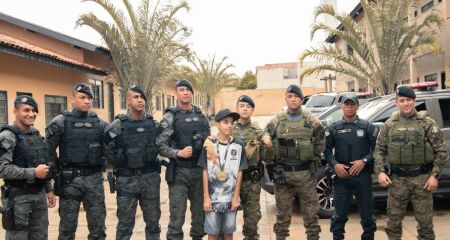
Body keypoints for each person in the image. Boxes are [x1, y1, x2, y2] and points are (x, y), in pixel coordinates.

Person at [374, 85, 448, 240]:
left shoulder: (426, 123)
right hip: (397, 181)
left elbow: (441, 151)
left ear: (414, 101)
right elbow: (379, 150)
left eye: (408, 100)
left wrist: (435, 175)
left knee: (425, 225)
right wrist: (380, 172)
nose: (406, 103)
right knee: (393, 225)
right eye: (402, 100)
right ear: (397, 103)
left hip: (422, 179)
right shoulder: (389, 125)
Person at [46, 83, 108, 240]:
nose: (87, 101)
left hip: (94, 179)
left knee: (98, 228)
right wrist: (56, 173)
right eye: (82, 97)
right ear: (72, 99)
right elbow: (47, 150)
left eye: (89, 98)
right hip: (69, 181)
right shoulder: (60, 121)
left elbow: (110, 146)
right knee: (67, 229)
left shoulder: (99, 122)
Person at [265, 85, 324, 240]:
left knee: (311, 215)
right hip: (283, 175)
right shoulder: (276, 121)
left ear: (301, 99)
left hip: (305, 174)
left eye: (296, 96)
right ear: (285, 98)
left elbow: (320, 144)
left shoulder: (312, 121)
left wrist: (308, 155)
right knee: (282, 216)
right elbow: (265, 142)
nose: (293, 99)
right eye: (290, 96)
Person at [104, 85, 162, 239]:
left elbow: (164, 144)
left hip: (150, 179)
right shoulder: (118, 125)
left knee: (153, 223)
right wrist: (120, 162)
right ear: (127, 100)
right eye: (136, 97)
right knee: (124, 225)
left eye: (142, 97)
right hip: (126, 180)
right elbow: (107, 148)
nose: (140, 100)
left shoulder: (153, 125)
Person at [156, 79, 210, 240]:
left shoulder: (201, 116)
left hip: (199, 173)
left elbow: (209, 141)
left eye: (188, 90)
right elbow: (159, 144)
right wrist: (177, 153)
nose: (185, 92)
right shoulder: (171, 116)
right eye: (181, 89)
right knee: (177, 216)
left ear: (192, 93)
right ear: (176, 93)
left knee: (200, 217)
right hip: (179, 172)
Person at [0, 95, 57, 240]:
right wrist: (33, 172)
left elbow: (42, 166)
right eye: (26, 110)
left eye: (34, 110)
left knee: (40, 236)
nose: (31, 114)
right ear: (15, 111)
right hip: (18, 198)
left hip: (39, 196)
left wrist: (49, 190)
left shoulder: (36, 136)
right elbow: (3, 169)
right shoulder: (7, 136)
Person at [324, 94, 377, 240]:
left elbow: (377, 150)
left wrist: (364, 160)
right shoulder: (333, 128)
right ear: (341, 106)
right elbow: (326, 150)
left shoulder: (367, 127)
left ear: (357, 106)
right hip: (342, 177)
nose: (349, 106)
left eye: (352, 104)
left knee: (367, 214)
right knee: (339, 214)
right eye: (346, 104)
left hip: (362, 177)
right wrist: (335, 165)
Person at [199, 109, 247, 240]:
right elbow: (205, 170)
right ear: (217, 125)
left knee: (229, 233)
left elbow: (240, 171)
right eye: (225, 122)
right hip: (213, 199)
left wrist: (236, 197)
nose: (230, 125)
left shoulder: (238, 146)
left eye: (232, 122)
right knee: (212, 233)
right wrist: (206, 197)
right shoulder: (209, 145)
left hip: (230, 200)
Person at [232, 95, 272, 240]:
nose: (244, 109)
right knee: (227, 218)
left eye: (248, 106)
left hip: (251, 181)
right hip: (231, 180)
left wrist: (269, 147)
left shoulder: (258, 131)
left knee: (252, 220)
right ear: (237, 108)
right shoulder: (229, 128)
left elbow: (267, 158)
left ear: (252, 110)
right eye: (242, 105)